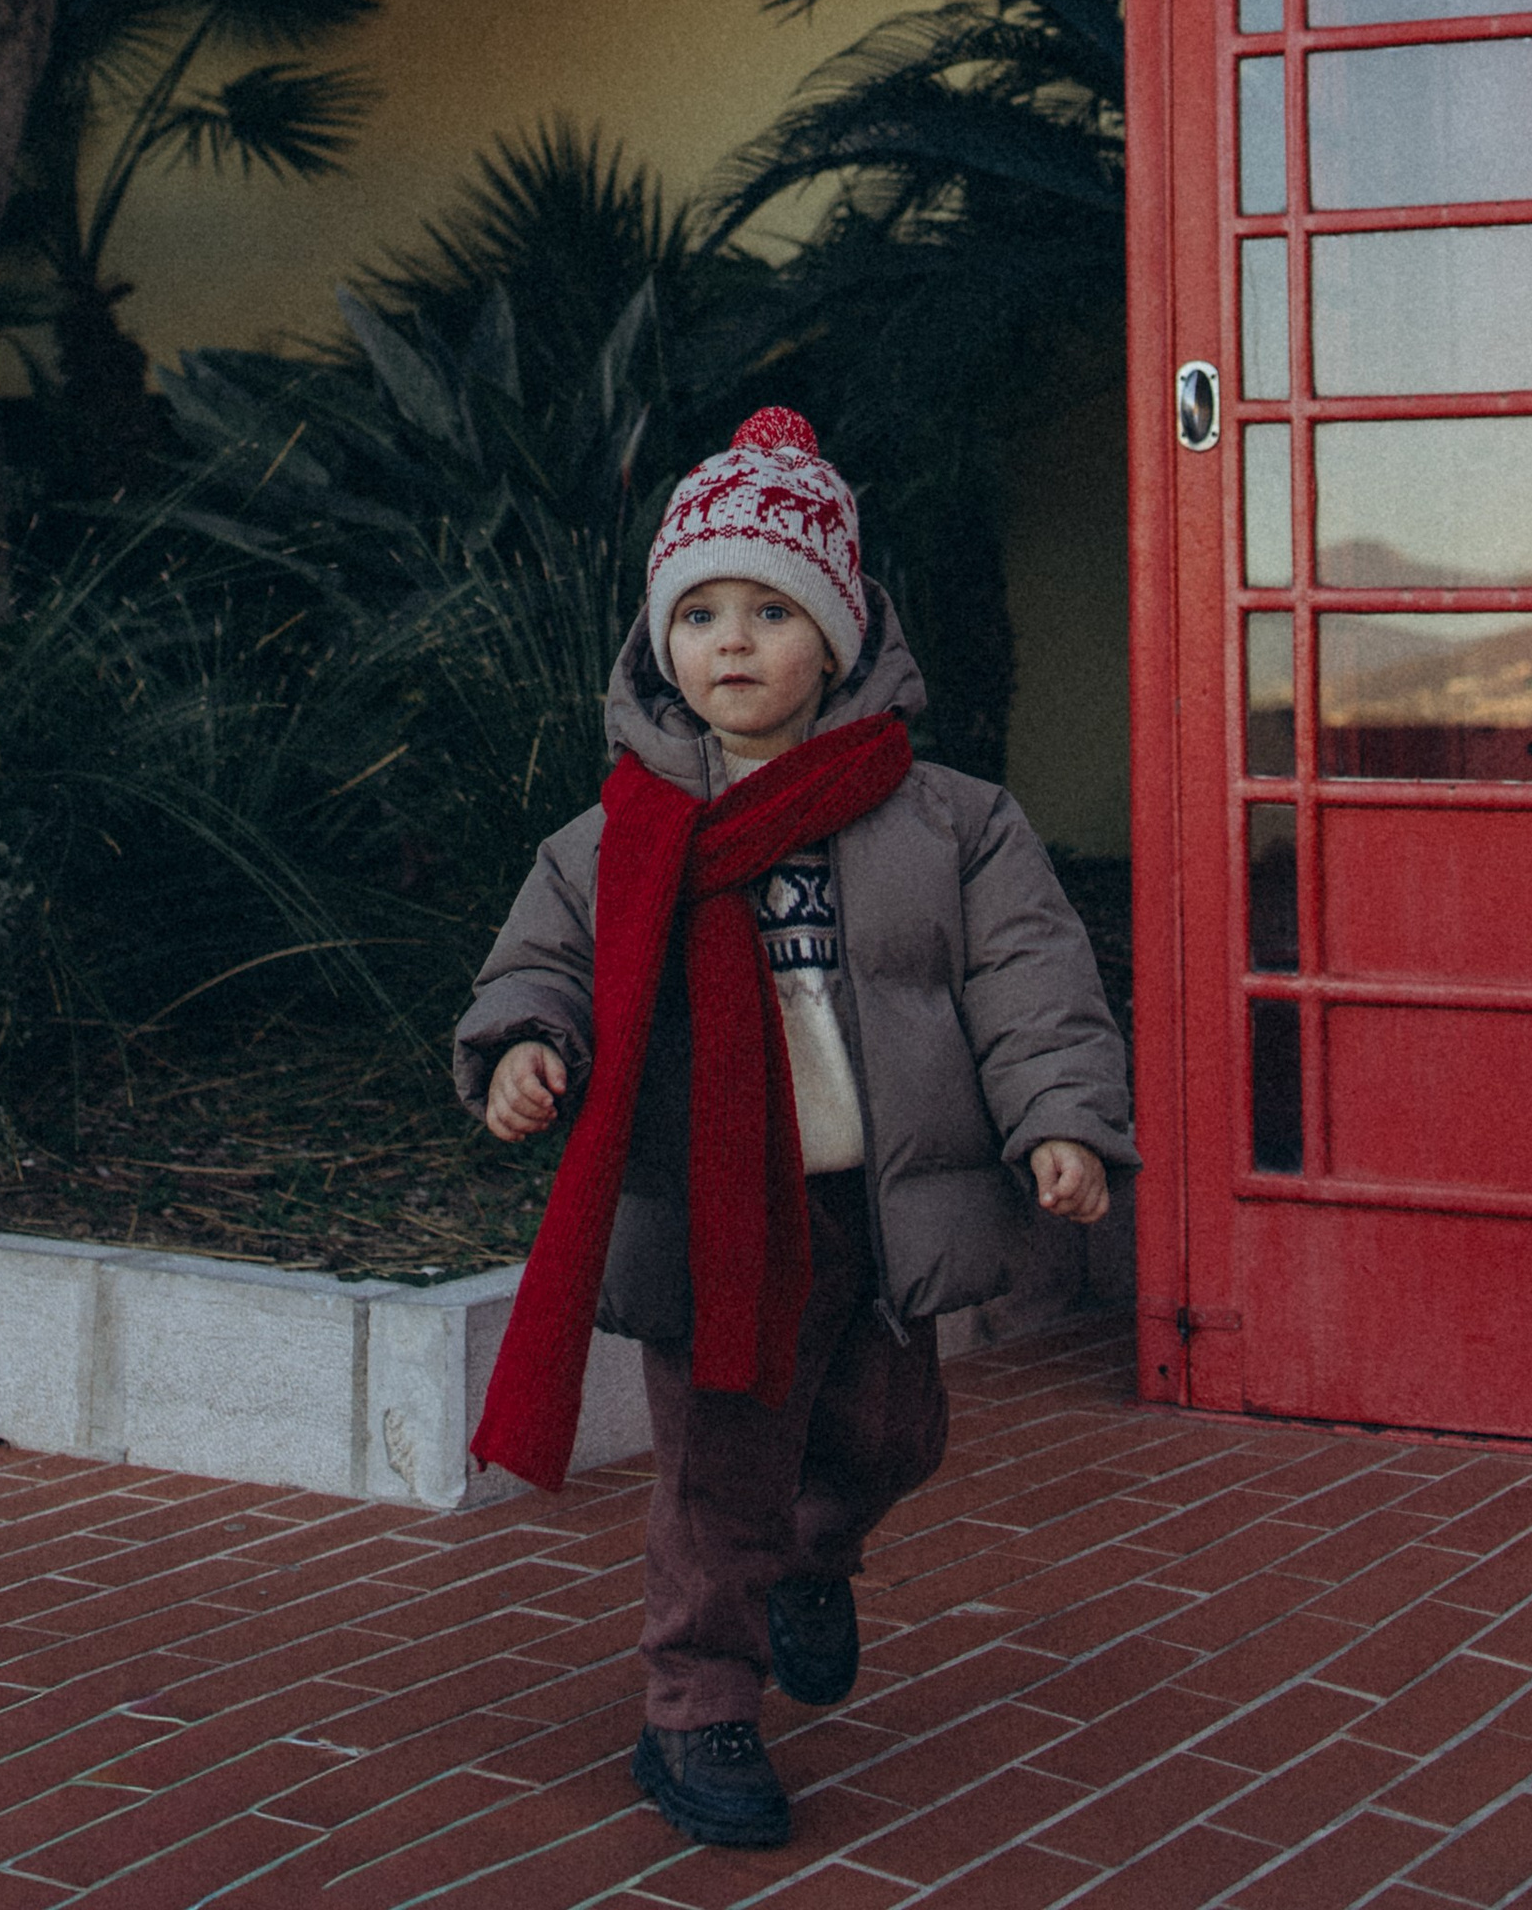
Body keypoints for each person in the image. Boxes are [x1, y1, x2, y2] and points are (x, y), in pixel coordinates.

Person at [454, 404, 1135, 1852]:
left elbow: (1033, 980)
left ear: (838, 635)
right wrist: (524, 1046)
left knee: (891, 1429)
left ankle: (818, 1553)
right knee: (718, 1473)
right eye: (700, 611)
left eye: (772, 607)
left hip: (876, 1212)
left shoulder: (943, 818)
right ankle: (697, 1709)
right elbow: (539, 965)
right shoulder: (618, 834)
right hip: (711, 1212)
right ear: (661, 642)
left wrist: (1062, 1120)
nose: (735, 640)